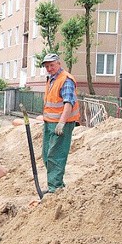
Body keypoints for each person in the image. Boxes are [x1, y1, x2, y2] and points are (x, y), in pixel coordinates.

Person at [41, 53, 79, 194]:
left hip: (61, 124)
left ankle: (55, 188)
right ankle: (57, 185)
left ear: (58, 64)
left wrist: (61, 123)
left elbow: (68, 103)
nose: (49, 68)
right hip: (50, 123)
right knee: (46, 155)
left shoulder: (65, 80)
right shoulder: (51, 79)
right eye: (47, 66)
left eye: (51, 65)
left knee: (55, 156)